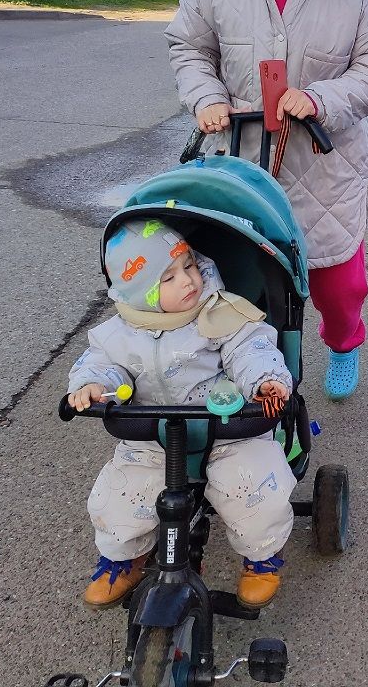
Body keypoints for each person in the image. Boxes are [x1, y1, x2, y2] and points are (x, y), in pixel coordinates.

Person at [167, 0, 368, 402]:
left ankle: (345, 343)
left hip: (325, 160)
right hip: (241, 156)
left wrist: (321, 99)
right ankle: (251, 366)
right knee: (244, 277)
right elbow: (189, 48)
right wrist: (205, 97)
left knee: (338, 282)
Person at [67, 220, 296, 610]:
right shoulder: (120, 333)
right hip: (155, 436)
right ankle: (126, 556)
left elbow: (250, 349)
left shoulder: (219, 313)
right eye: (169, 277)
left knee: (256, 487)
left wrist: (265, 381)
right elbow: (104, 365)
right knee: (118, 494)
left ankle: (262, 555)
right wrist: (92, 386)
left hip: (227, 430)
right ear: (143, 293)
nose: (189, 280)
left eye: (189, 266)